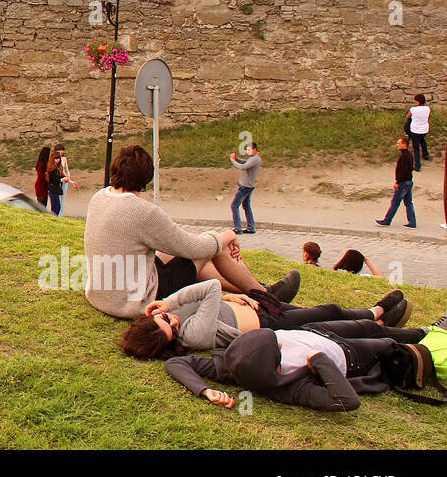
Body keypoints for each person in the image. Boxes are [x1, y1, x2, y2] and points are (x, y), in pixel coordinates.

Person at [83, 144, 298, 320]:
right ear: (145, 178)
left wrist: (213, 238)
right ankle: (266, 295)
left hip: (102, 293)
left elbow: (185, 243)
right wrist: (228, 235)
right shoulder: (141, 211)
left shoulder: (99, 197)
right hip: (135, 300)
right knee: (212, 248)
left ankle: (254, 290)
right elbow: (195, 249)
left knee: (201, 243)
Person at [165, 318, 432, 412]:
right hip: (346, 354)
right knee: (384, 341)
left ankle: (413, 325)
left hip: (315, 331)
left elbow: (177, 363)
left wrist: (205, 390)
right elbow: (347, 401)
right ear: (275, 369)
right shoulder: (293, 387)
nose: (280, 345)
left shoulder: (229, 364)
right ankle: (430, 332)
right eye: (277, 351)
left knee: (368, 326)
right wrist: (319, 360)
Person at [121, 278, 407, 360]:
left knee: (328, 311)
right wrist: (168, 302)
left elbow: (205, 299)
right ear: (172, 342)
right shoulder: (192, 334)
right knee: (328, 313)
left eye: (164, 318)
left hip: (261, 310)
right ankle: (378, 314)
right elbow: (210, 288)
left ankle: (377, 318)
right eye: (170, 327)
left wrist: (231, 298)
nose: (172, 320)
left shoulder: (176, 319)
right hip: (271, 325)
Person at [375, 136, 416, 228]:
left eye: (399, 143)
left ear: (404, 145)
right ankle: (412, 222)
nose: (397, 145)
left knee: (395, 202)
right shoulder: (409, 155)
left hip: (403, 183)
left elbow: (403, 172)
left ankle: (387, 220)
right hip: (408, 182)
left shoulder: (405, 157)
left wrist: (397, 182)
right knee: (409, 203)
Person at [229, 141, 261, 234]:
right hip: (248, 186)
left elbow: (243, 166)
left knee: (234, 205)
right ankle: (251, 227)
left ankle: (237, 228)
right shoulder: (253, 158)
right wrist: (237, 158)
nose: (248, 151)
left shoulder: (255, 159)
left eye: (249, 150)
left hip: (245, 186)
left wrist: (233, 161)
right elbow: (245, 162)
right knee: (246, 206)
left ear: (255, 149)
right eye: (247, 150)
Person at [52, 143, 79, 217]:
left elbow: (66, 170)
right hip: (58, 181)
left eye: (62, 150)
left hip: (65, 181)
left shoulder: (64, 159)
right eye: (59, 150)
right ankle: (56, 215)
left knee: (62, 200)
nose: (61, 152)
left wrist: (69, 179)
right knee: (56, 199)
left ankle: (60, 216)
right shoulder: (53, 159)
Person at [407, 93, 430, 172]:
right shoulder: (427, 109)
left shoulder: (413, 109)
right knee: (422, 140)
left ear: (418, 101)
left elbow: (408, 116)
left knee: (416, 148)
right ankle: (426, 154)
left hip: (415, 130)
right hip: (424, 129)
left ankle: (417, 165)